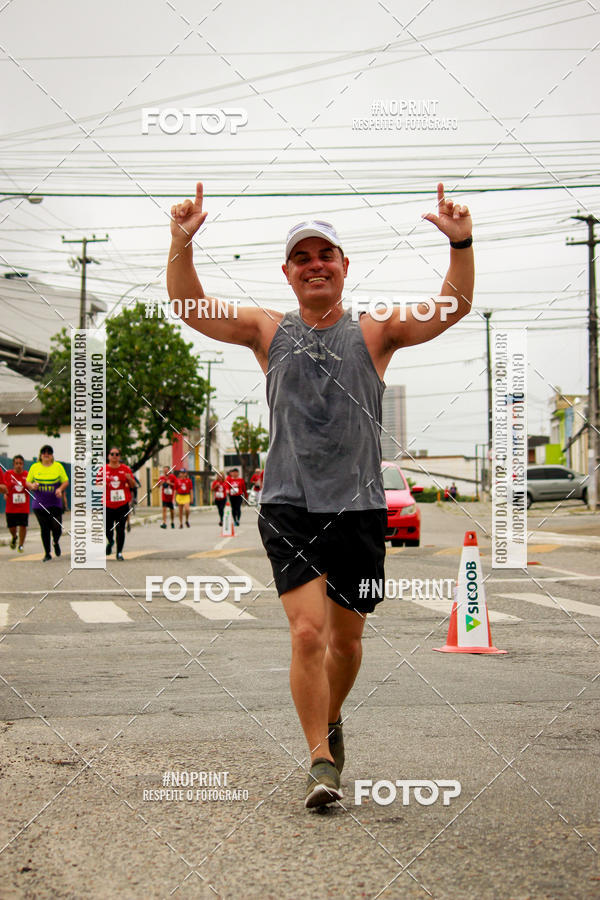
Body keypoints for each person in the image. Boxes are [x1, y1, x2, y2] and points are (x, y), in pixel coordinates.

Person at [168, 180, 474, 808]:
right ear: (288, 272)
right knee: (307, 634)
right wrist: (182, 244)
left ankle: (330, 719)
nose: (315, 266)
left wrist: (461, 243)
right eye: (302, 258)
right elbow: (189, 307)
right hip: (288, 505)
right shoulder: (265, 328)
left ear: (343, 266)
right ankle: (320, 760)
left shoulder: (376, 331)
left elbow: (454, 306)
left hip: (360, 509)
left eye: (324, 256)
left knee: (347, 641)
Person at [26, 445, 69, 561]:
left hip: (55, 503)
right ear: (40, 455)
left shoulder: (58, 466)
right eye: (43, 452)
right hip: (39, 504)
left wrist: (60, 489)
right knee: (44, 528)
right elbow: (27, 482)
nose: (46, 454)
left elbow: (65, 481)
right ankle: (47, 553)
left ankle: (55, 541)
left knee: (56, 527)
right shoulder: (35, 467)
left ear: (52, 455)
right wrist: (32, 485)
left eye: (49, 452)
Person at [99, 447, 136, 560]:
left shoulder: (125, 469)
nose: (114, 456)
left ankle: (119, 552)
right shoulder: (103, 470)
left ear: (119, 456)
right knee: (107, 528)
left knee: (120, 529)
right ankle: (110, 542)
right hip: (107, 504)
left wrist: (129, 479)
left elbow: (133, 485)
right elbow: (97, 485)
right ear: (108, 456)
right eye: (112, 454)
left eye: (117, 454)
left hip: (122, 504)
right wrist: (102, 484)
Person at [1, 454, 30, 552]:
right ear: (13, 464)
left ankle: (21, 545)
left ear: (23, 464)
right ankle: (14, 537)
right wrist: (5, 493)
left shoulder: (27, 475)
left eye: (20, 463)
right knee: (11, 527)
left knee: (23, 525)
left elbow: (30, 486)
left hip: (23, 506)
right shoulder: (8, 474)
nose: (18, 465)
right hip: (11, 506)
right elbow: (4, 486)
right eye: (16, 463)